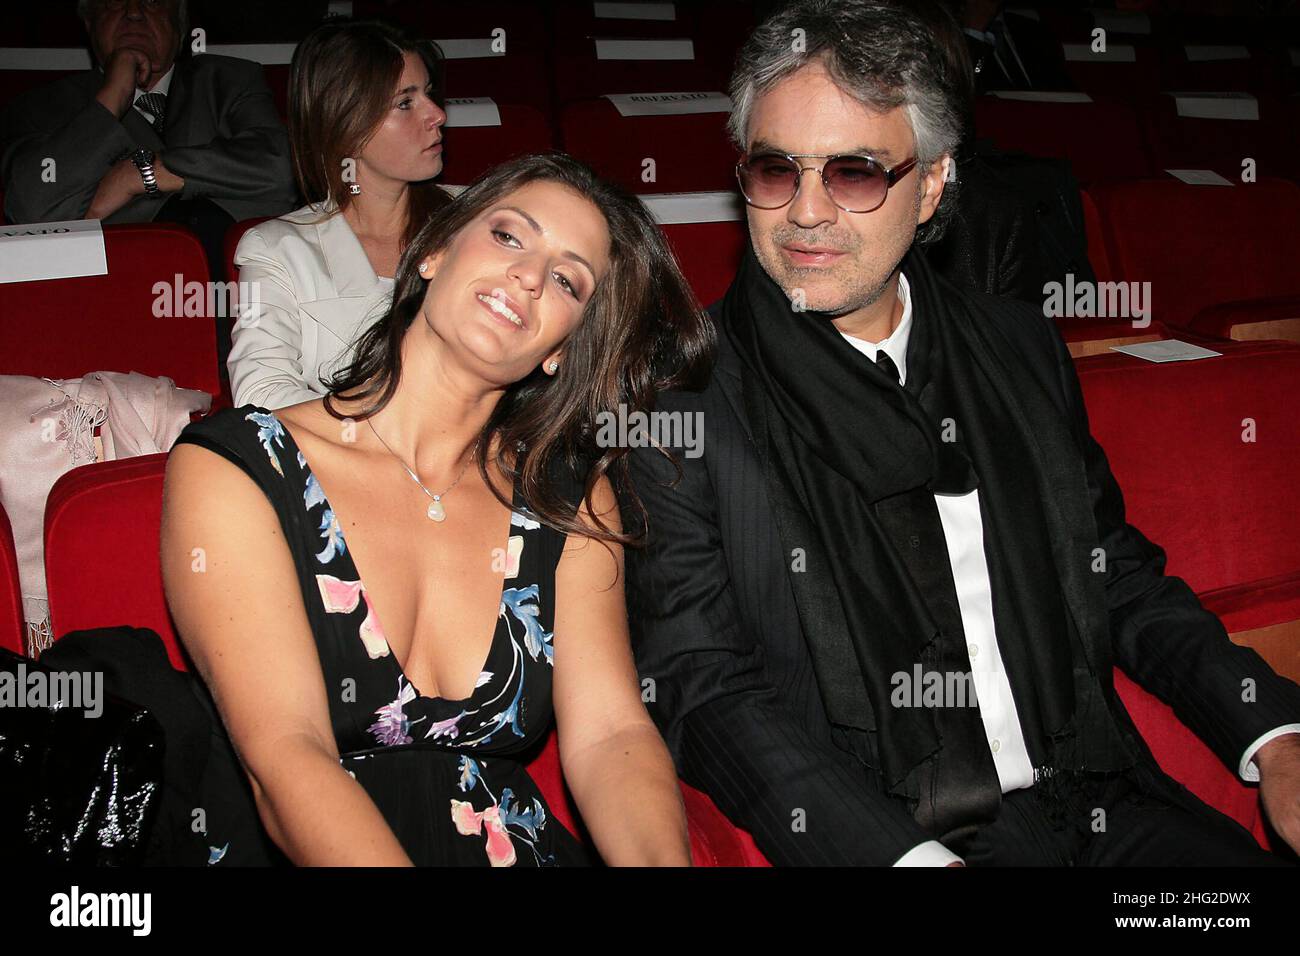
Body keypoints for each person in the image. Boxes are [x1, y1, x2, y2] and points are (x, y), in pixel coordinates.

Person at [623, 0, 1300, 867]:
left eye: (857, 173)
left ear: (933, 184)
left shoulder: (1014, 348)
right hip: (900, 834)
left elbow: (1115, 573)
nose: (806, 212)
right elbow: (703, 688)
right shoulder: (680, 403)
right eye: (776, 169)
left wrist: (1274, 733)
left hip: (1103, 802)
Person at [161, 152, 713, 866]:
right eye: (511, 236)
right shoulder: (238, 466)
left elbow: (610, 735)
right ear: (435, 253)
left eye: (567, 280)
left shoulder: (565, 497)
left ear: (561, 351)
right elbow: (288, 757)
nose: (528, 276)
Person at [226, 18, 453, 410]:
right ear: (347, 125)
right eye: (405, 103)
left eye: (429, 94)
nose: (437, 115)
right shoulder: (278, 250)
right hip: (350, 465)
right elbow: (260, 395)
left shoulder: (480, 220)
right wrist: (390, 433)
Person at [0, 0, 295, 237]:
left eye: (152, 2)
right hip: (122, 287)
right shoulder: (42, 106)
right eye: (114, 3)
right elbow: (30, 209)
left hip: (237, 284)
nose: (133, 12)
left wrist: (140, 174)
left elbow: (283, 169)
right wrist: (112, 99)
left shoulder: (230, 80)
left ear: (180, 25)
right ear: (89, 24)